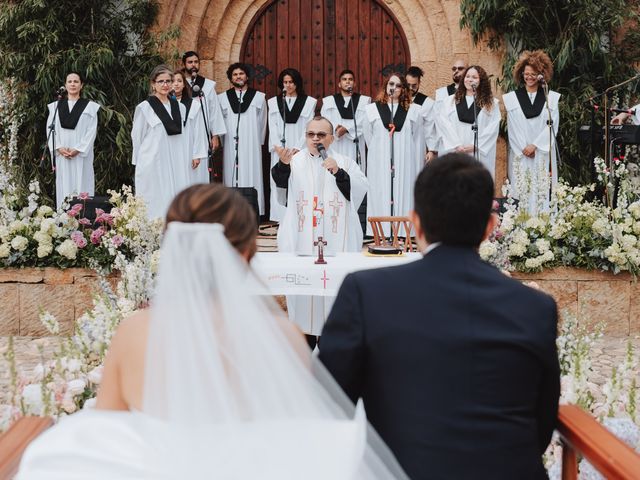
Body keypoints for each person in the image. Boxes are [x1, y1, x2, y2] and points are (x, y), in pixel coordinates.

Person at [17, 184, 408, 480]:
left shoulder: (135, 333)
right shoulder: (284, 336)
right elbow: (296, 431)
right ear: (243, 252)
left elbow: (108, 435)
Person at [319, 153, 560, 480]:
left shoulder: (367, 293)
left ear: (415, 222)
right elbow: (541, 423)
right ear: (490, 226)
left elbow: (326, 402)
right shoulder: (536, 308)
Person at [272, 116, 367, 348]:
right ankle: (303, 345)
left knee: (331, 297)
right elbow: (281, 190)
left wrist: (339, 172)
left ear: (332, 138)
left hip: (334, 242)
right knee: (303, 298)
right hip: (302, 240)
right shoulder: (294, 161)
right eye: (311, 134)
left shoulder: (344, 161)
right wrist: (282, 166)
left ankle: (330, 345)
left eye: (321, 135)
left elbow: (358, 190)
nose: (315, 139)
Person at [131, 65, 192, 220]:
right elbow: (137, 136)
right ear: (153, 84)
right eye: (161, 81)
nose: (165, 85)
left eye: (168, 81)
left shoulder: (180, 107)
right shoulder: (144, 108)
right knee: (155, 194)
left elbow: (185, 135)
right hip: (153, 159)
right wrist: (139, 163)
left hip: (175, 158)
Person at [363, 72, 420, 236]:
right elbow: (368, 135)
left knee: (403, 189)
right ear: (386, 87)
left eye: (398, 85)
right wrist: (380, 150)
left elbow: (415, 135)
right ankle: (381, 232)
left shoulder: (413, 110)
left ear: (403, 89)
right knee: (380, 190)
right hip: (379, 157)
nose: (394, 88)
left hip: (404, 157)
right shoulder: (372, 109)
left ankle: (402, 233)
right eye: (391, 84)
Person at [504, 50, 560, 214]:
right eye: (526, 74)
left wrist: (535, 145)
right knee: (522, 188)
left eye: (534, 74)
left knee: (542, 188)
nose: (529, 77)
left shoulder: (551, 97)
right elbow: (512, 127)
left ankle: (544, 226)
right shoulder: (512, 98)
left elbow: (552, 124)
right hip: (521, 153)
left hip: (541, 153)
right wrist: (524, 147)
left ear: (542, 75)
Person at [267, 68, 317, 222]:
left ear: (297, 83)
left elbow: (307, 127)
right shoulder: (274, 102)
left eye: (291, 82)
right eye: (285, 82)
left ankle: (299, 215)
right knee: (279, 181)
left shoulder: (309, 102)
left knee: (299, 180)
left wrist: (297, 147)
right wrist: (278, 147)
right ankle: (280, 216)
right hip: (280, 149)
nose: (287, 85)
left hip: (298, 149)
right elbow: (272, 125)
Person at [218, 63, 268, 215]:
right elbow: (220, 122)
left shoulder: (259, 97)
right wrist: (222, 142)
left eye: (241, 73)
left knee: (253, 172)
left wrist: (258, 141)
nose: (238, 76)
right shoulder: (222, 98)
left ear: (247, 76)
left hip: (251, 143)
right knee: (231, 174)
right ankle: (231, 209)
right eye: (235, 74)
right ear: (230, 78)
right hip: (230, 143)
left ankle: (254, 210)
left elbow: (262, 121)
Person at [46, 72, 100, 209]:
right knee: (64, 185)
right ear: (65, 85)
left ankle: (83, 221)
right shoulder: (56, 107)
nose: (72, 84)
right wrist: (58, 147)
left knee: (82, 184)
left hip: (81, 156)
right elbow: (50, 129)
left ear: (81, 85)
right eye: (69, 81)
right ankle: (63, 222)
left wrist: (79, 149)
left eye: (76, 81)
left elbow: (91, 131)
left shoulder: (90, 107)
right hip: (62, 154)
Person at [436, 65, 501, 178]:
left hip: (477, 151)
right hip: (455, 150)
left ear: (481, 81)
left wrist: (476, 145)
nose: (470, 79)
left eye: (474, 77)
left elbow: (492, 128)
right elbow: (443, 124)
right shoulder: (449, 101)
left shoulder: (491, 104)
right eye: (467, 76)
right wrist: (457, 145)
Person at [320, 69, 370, 172]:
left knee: (354, 171)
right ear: (339, 84)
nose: (347, 81)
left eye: (350, 79)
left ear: (354, 83)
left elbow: (365, 120)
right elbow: (325, 119)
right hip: (336, 142)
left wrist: (347, 129)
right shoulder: (329, 101)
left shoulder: (364, 101)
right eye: (344, 79)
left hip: (354, 143)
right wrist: (335, 129)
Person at [181, 51, 226, 154]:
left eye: (196, 62)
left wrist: (215, 135)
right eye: (190, 62)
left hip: (201, 130)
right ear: (184, 64)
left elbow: (214, 110)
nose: (193, 64)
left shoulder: (207, 85)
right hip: (182, 129)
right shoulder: (178, 84)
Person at [172, 69, 208, 188]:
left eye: (179, 81)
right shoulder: (162, 105)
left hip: (188, 146)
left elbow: (199, 130)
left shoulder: (194, 105)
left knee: (187, 179)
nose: (176, 84)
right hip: (170, 147)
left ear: (184, 84)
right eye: (172, 81)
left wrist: (197, 154)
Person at [432, 59, 468, 161]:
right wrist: (454, 142)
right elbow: (439, 120)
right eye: (454, 69)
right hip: (446, 144)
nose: (456, 71)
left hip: (466, 144)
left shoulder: (472, 93)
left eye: (460, 69)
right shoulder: (441, 93)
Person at [405, 66, 437, 171]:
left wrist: (432, 150)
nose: (410, 88)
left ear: (419, 83)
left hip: (417, 146)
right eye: (408, 85)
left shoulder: (427, 103)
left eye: (414, 85)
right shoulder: (397, 100)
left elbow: (430, 129)